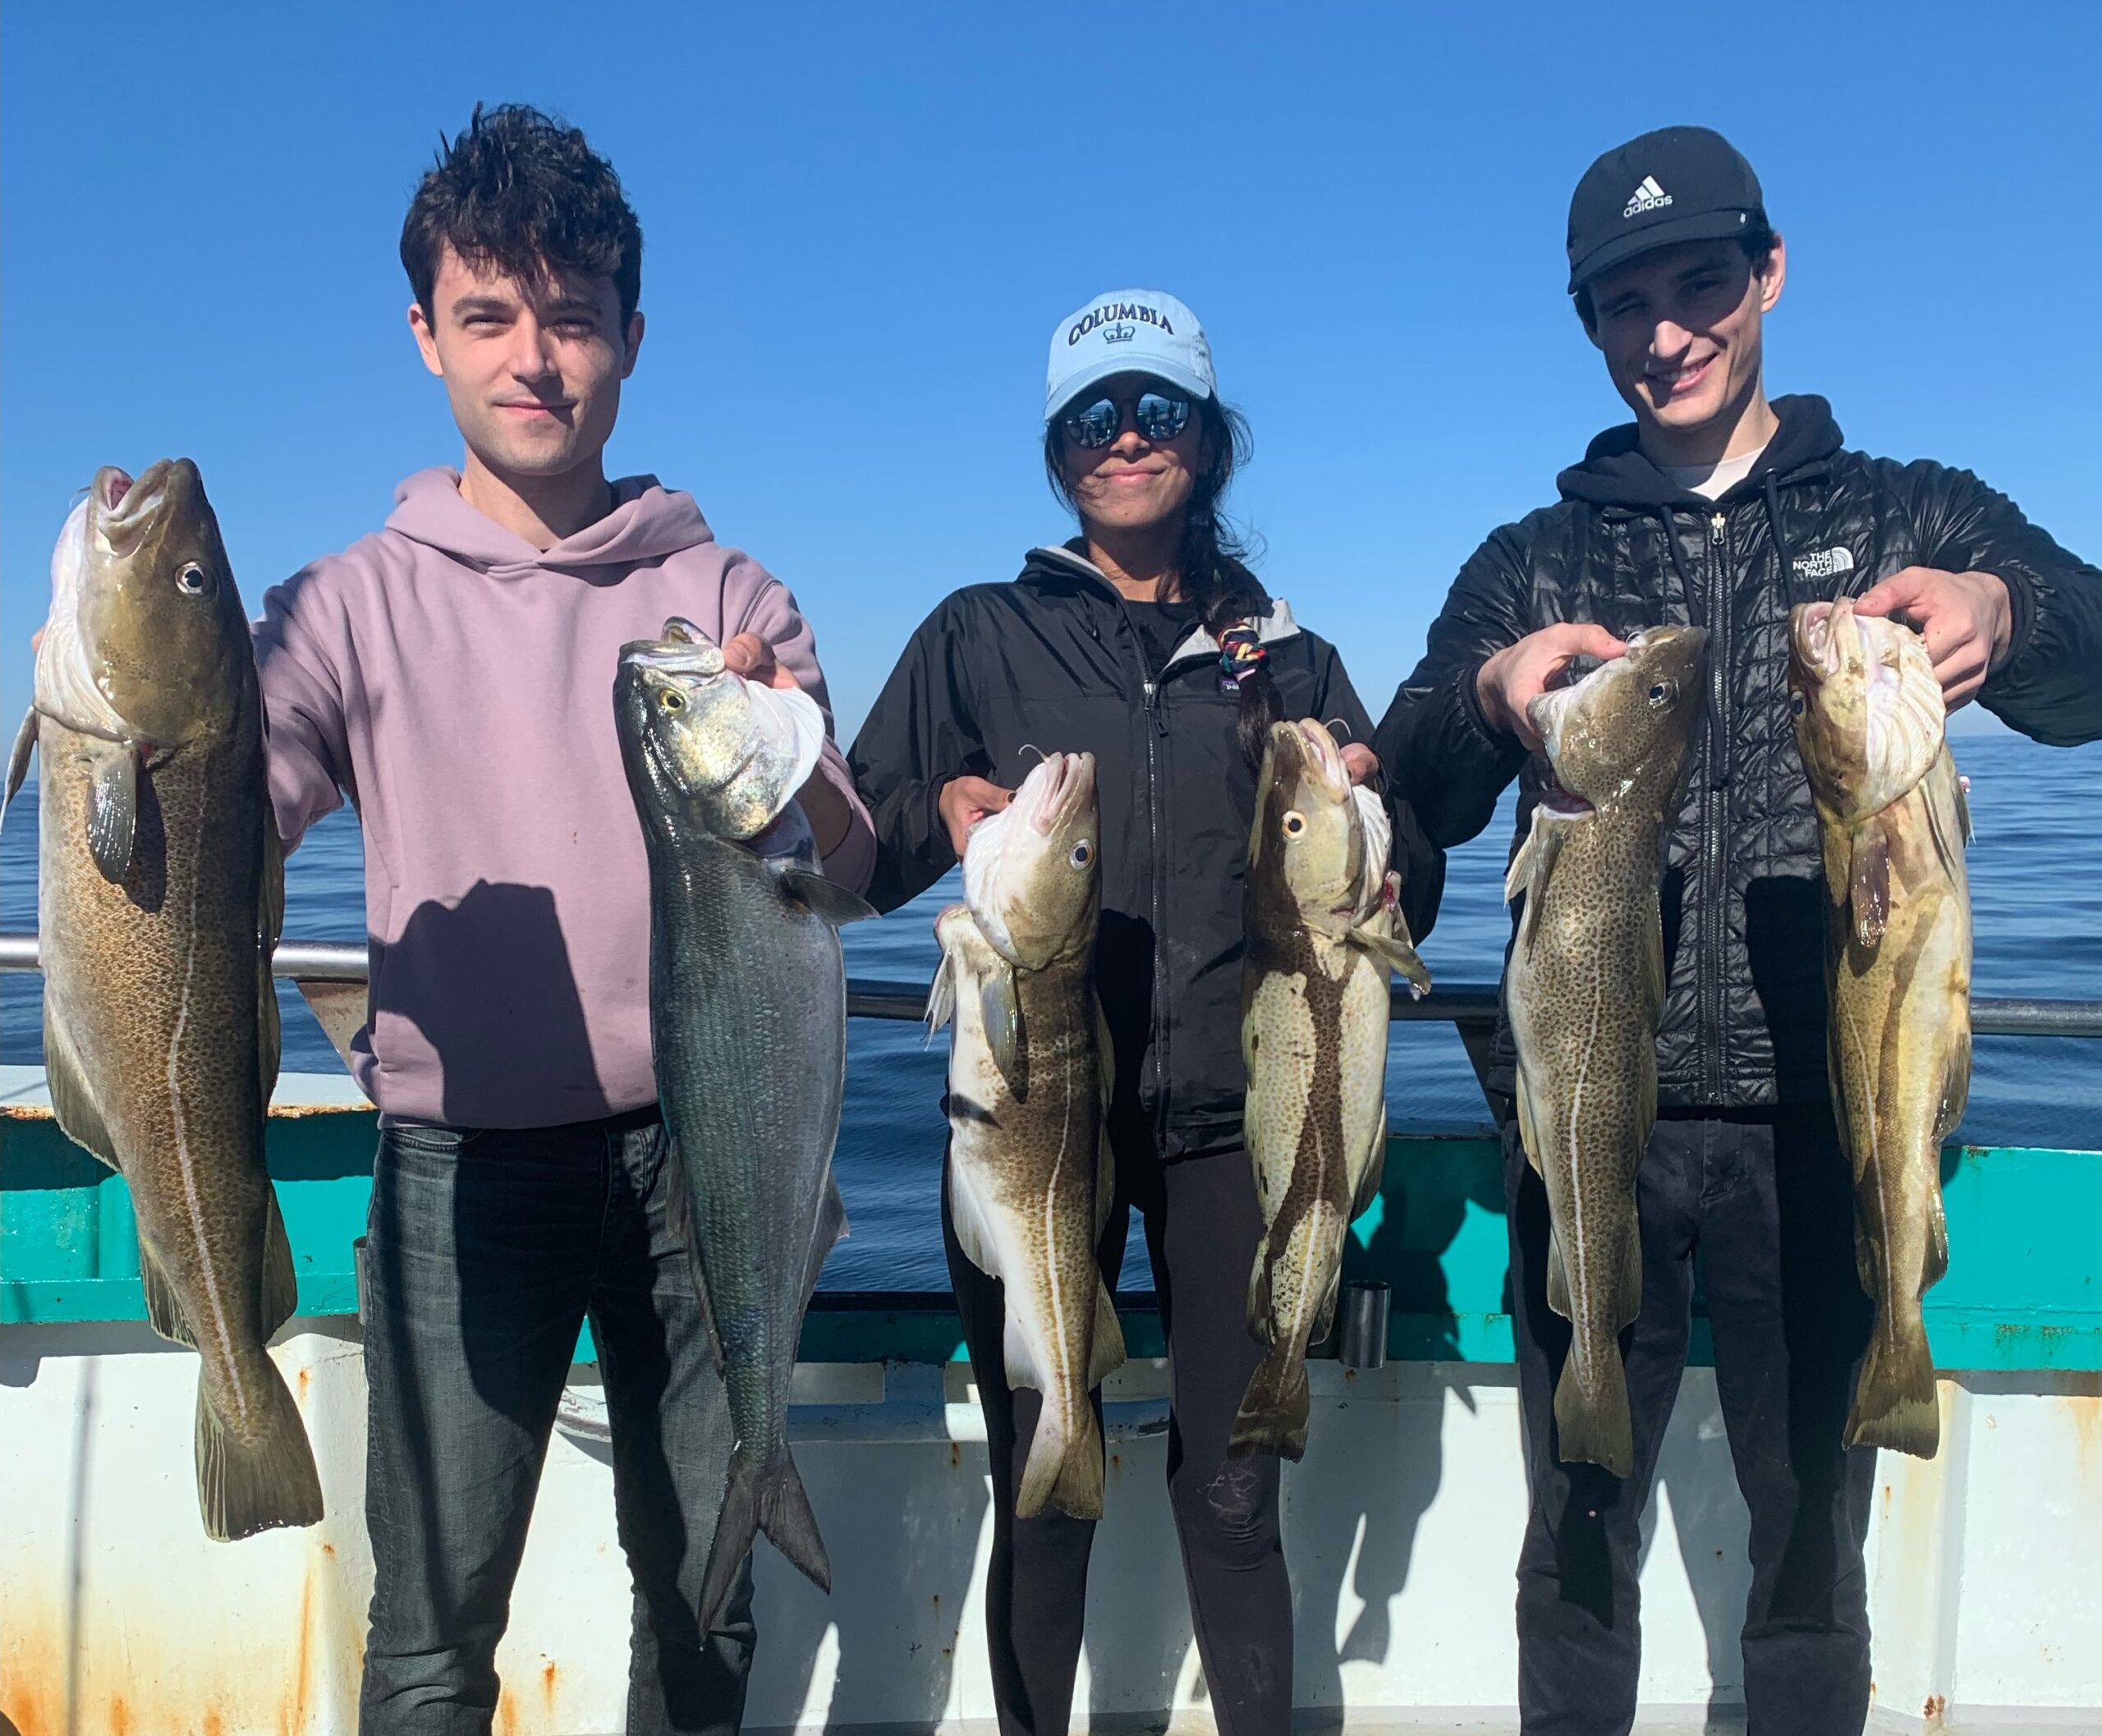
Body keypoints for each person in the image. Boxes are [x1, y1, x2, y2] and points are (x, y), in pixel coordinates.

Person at [1375, 126, 2102, 1736]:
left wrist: (2011, 612)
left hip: (1825, 1122)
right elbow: (1408, 780)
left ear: (1768, 274)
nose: (1664, 332)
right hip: (1592, 1122)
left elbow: (2094, 676)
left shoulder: (1910, 508)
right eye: (1619, 304)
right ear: (1587, 326)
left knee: (1809, 1555)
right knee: (1576, 1542)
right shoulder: (1533, 559)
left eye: (1699, 282)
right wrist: (1488, 694)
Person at [252, 104, 874, 1733]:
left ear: (630, 338)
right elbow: (235, 803)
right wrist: (131, 722)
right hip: (460, 1167)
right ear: (425, 335)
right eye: (489, 316)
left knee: (704, 1610)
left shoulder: (724, 591)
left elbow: (849, 852)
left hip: (707, 1146)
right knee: (430, 1631)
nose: (534, 358)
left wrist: (779, 739)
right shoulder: (342, 605)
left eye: (573, 317)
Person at [850, 290, 1442, 1735]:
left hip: (1234, 1129)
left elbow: (1410, 876)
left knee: (1235, 1494)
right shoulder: (978, 633)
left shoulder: (1286, 655)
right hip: (1034, 1120)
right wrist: (936, 810)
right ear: (1058, 452)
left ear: (1209, 438)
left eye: (1157, 410)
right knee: (1043, 1488)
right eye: (1090, 419)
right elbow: (857, 846)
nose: (1124, 439)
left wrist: (1380, 830)